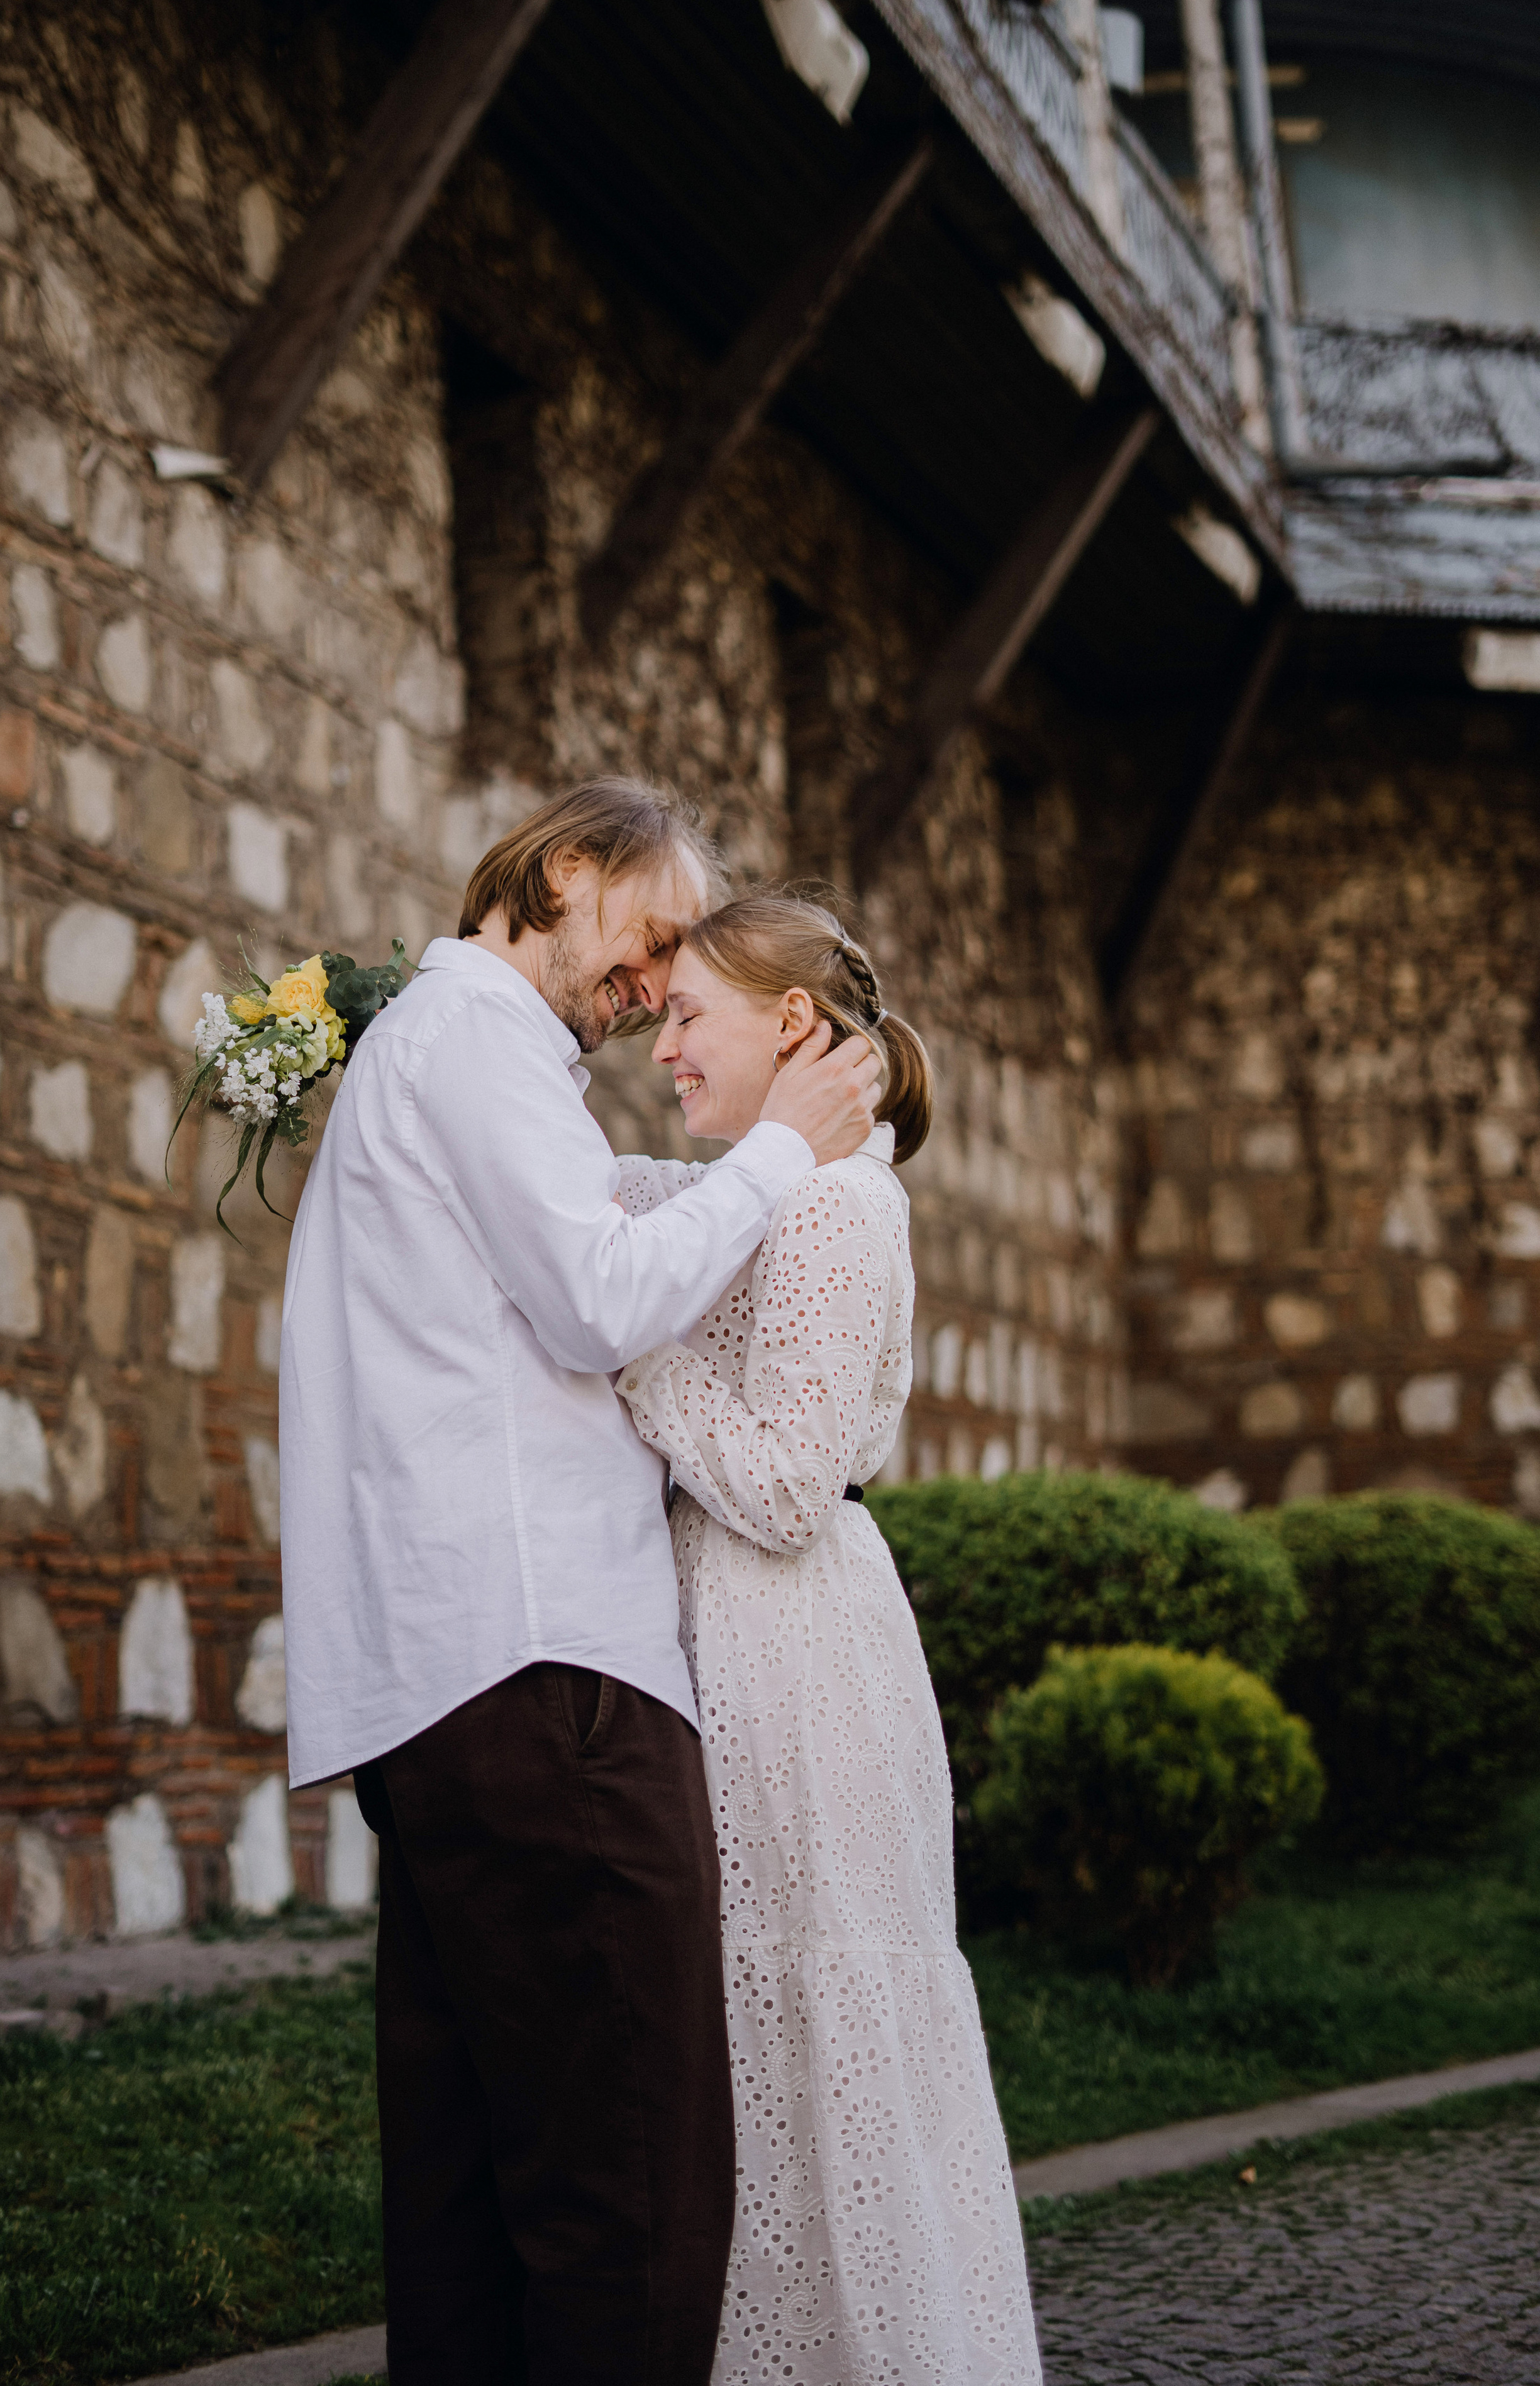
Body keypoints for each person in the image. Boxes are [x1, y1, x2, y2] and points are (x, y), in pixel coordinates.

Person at [277, 780, 882, 2386]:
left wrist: (763, 1181)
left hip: (452, 1687)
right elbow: (601, 1300)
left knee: (474, 2203)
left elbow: (593, 1226)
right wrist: (775, 1155)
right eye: (653, 932)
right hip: (548, 1685)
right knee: (628, 2187)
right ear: (564, 872)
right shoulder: (472, 1038)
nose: (654, 982)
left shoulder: (452, 1057)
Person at [613, 894, 1043, 2386]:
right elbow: (610, 1195)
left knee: (812, 2020)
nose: (660, 1045)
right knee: (752, 2034)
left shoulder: (837, 1205)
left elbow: (788, 1486)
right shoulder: (764, 1186)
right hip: (747, 1640)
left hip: (789, 1653)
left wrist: (631, 1352)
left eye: (687, 1016)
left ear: (789, 1024)